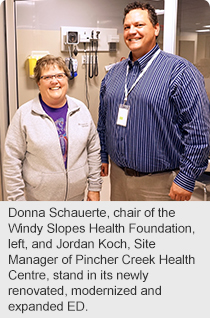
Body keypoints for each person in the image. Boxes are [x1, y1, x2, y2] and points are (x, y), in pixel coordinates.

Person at [97, 1, 210, 201]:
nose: (132, 31)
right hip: (117, 177)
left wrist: (186, 177)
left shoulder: (180, 72)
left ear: (156, 28)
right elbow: (104, 120)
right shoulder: (113, 74)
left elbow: (198, 130)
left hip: (160, 184)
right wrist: (103, 153)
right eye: (127, 27)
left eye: (139, 25)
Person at [4, 55, 102, 201]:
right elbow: (12, 160)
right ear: (38, 82)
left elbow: (93, 150)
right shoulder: (24, 115)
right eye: (47, 77)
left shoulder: (81, 110)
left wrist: (94, 188)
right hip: (39, 201)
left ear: (66, 79)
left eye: (59, 75)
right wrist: (17, 200)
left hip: (77, 199)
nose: (54, 81)